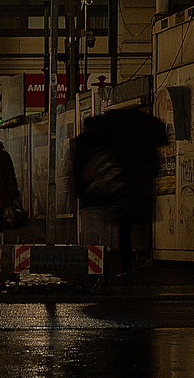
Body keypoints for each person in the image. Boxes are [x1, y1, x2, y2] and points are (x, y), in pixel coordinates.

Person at [72, 109, 168, 276]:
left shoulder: (103, 143)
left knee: (120, 231)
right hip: (139, 193)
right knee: (136, 228)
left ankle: (112, 267)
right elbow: (154, 169)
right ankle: (140, 259)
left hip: (121, 194)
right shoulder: (144, 148)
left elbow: (82, 171)